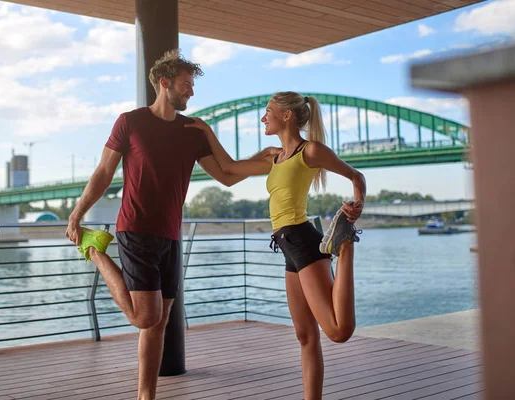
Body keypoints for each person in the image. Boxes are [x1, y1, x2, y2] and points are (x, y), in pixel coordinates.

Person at [65, 49, 278, 400]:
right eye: (186, 85)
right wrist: (77, 215)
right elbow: (104, 172)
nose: (191, 92)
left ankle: (145, 395)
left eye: (192, 86)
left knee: (159, 321)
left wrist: (270, 159)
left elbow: (227, 175)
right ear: (164, 84)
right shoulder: (130, 122)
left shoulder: (192, 132)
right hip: (135, 228)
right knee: (145, 318)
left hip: (170, 234)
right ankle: (95, 251)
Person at [185, 91, 366, 400]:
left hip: (303, 240)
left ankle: (345, 244)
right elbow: (227, 172)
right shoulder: (272, 156)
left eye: (268, 111)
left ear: (287, 116)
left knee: (338, 331)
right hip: (287, 245)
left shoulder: (310, 151)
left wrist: (358, 203)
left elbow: (355, 174)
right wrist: (203, 135)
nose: (263, 117)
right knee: (306, 336)